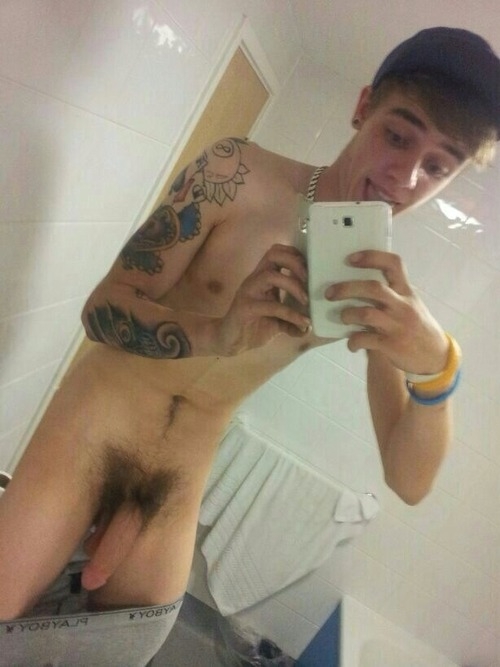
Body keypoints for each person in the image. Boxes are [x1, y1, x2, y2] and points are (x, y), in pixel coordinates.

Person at [1, 26, 499, 667]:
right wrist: (219, 332)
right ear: (362, 107)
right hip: (91, 432)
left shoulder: (376, 289)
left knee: (121, 654)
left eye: (438, 166)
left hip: (178, 484)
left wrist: (438, 367)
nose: (405, 176)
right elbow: (101, 311)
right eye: (398, 136)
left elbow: (409, 480)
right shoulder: (236, 174)